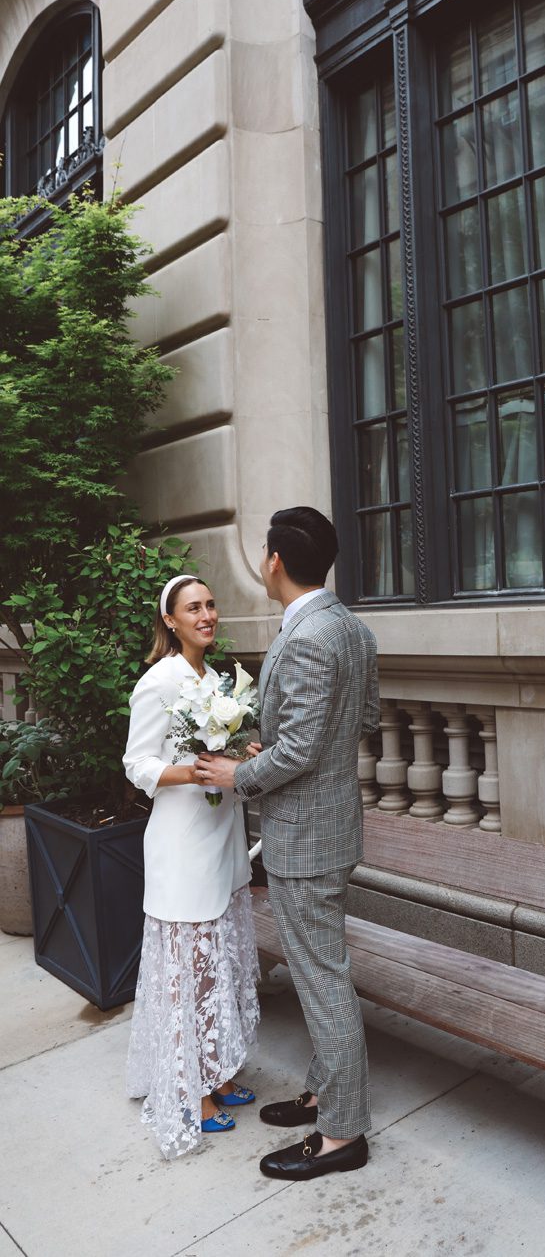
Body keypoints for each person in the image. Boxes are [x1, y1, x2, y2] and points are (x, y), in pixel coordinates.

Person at [197, 506, 379, 1182]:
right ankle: (325, 1093)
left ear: (274, 561)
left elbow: (303, 744)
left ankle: (341, 1135)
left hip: (306, 837)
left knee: (324, 982)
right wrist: (281, 748)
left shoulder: (306, 638)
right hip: (330, 826)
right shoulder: (352, 629)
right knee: (318, 976)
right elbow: (361, 718)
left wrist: (239, 773)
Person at [123, 574, 261, 1159]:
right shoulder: (158, 682)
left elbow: (215, 753)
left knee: (216, 969)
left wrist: (238, 757)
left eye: (210, 605)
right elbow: (139, 765)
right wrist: (199, 772)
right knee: (186, 970)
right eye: (193, 608)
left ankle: (219, 1072)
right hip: (181, 843)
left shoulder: (216, 679)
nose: (206, 614)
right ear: (171, 622)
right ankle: (191, 1092)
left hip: (221, 837)